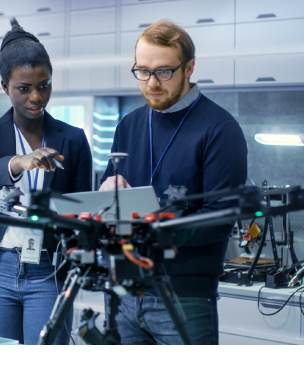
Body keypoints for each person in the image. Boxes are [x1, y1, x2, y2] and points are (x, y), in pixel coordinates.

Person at [99, 19, 248, 345]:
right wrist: (106, 190)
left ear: (189, 67)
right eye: (142, 71)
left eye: (164, 72)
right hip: (125, 291)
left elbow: (221, 219)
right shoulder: (128, 125)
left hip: (184, 297)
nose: (152, 82)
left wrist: (154, 224)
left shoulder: (220, 129)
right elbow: (109, 191)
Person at [0, 18, 93, 345]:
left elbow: (82, 208)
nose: (36, 97)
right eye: (24, 88)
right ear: (5, 87)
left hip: (48, 269)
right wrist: (21, 161)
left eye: (43, 85)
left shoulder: (72, 138)